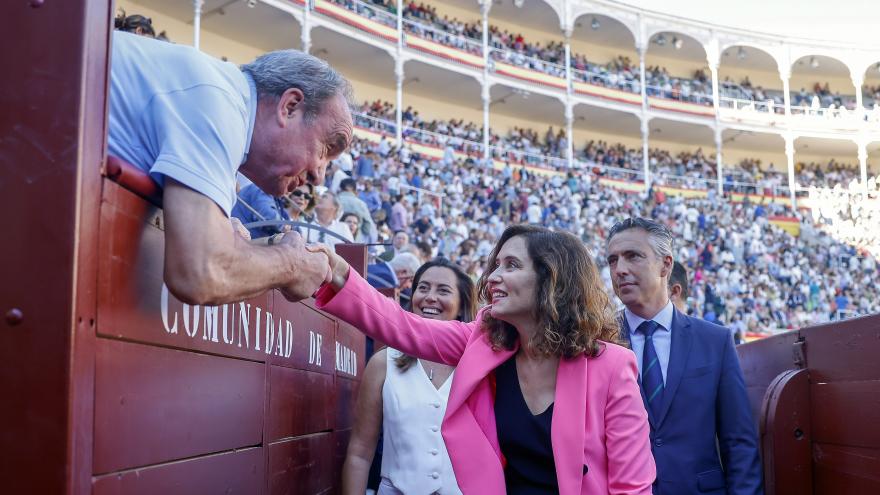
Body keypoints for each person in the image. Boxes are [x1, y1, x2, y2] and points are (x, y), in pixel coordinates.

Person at [312, 224, 655, 494]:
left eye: (511, 265)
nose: (492, 277)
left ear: (551, 279)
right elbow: (402, 326)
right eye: (495, 265)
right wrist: (336, 273)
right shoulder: (484, 343)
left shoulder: (612, 366)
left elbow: (632, 488)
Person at [107, 31, 353, 304]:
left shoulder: (223, 103)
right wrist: (292, 264)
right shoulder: (217, 101)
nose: (319, 177)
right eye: (325, 150)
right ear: (290, 106)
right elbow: (200, 273)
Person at [605, 217, 762, 495]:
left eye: (633, 257)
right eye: (613, 260)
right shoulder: (598, 341)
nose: (620, 269)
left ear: (666, 264)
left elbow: (738, 442)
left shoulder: (715, 341)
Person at [343, 258, 477, 495]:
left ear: (462, 304)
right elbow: (360, 453)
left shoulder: (480, 365)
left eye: (443, 290)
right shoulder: (383, 363)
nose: (430, 297)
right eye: (422, 288)